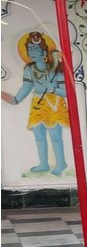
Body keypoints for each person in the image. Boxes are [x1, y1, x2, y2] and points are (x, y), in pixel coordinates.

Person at [2, 31, 69, 176]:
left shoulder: (55, 68)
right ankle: (44, 164)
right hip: (37, 104)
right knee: (39, 135)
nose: (32, 52)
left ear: (44, 51)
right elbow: (26, 87)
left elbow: (68, 92)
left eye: (36, 49)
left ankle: (61, 162)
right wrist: (15, 100)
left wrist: (53, 89)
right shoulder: (29, 69)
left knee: (55, 135)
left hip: (54, 103)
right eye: (29, 49)